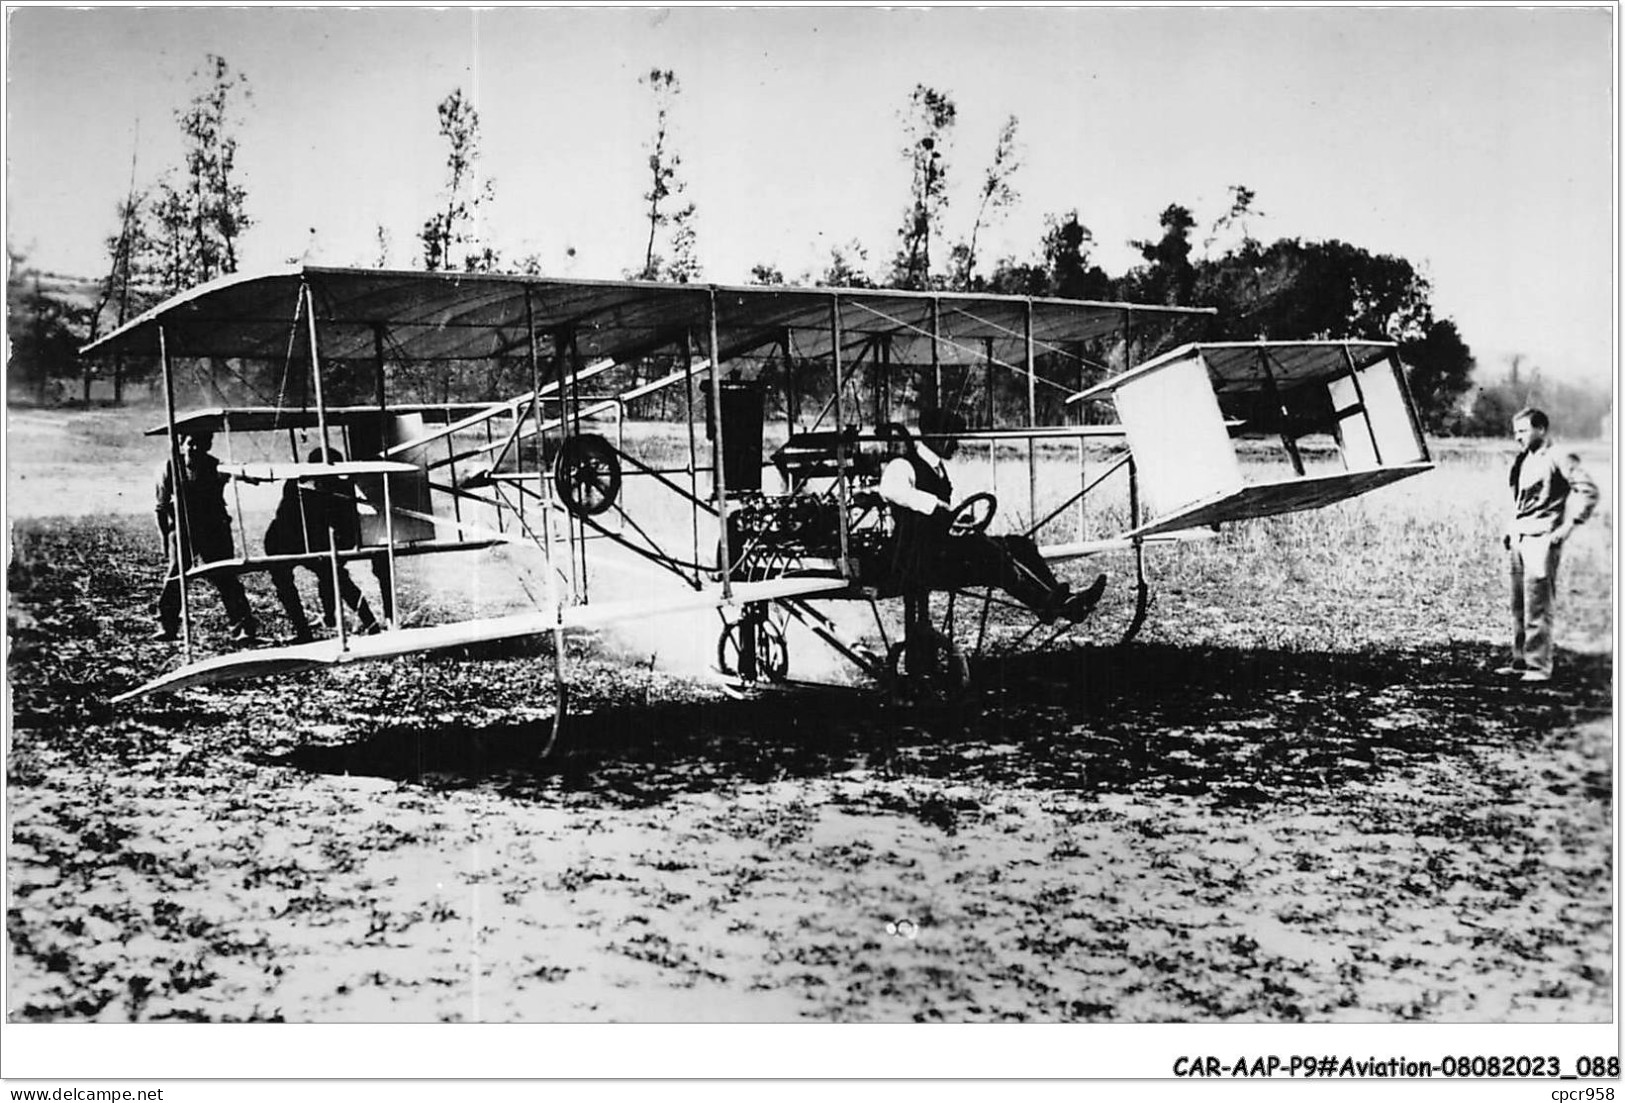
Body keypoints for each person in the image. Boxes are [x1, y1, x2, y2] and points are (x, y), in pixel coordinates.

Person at [879, 408, 1106, 622]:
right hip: (917, 558)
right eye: (952, 437)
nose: (956, 445)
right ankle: (1045, 604)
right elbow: (890, 490)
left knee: (1019, 545)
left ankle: (1062, 599)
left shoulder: (938, 469)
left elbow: (946, 515)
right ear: (935, 436)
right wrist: (934, 505)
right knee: (990, 552)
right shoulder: (902, 465)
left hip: (945, 551)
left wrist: (960, 520)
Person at [1497, 408, 1598, 683]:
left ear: (1541, 429)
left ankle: (1538, 666)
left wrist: (1567, 527)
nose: (1517, 437)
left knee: (1538, 604)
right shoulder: (1523, 459)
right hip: (1520, 537)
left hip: (1542, 538)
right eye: (1515, 431)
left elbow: (1588, 491)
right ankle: (1520, 661)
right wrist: (1511, 528)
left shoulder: (1559, 456)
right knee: (1519, 605)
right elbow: (1520, 501)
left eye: (1523, 431)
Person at [264, 447, 382, 643]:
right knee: (286, 582)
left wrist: (343, 548)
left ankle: (368, 623)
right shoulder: (298, 484)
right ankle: (303, 630)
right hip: (285, 538)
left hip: (313, 538)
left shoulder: (338, 488)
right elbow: (290, 516)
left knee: (336, 577)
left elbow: (347, 521)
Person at [153, 430, 258, 642]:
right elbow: (161, 508)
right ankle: (168, 625)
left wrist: (251, 474)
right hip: (183, 530)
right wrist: (166, 539)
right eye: (191, 443)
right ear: (182, 444)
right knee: (176, 576)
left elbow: (243, 475)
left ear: (208, 446)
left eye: (201, 444)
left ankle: (244, 627)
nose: (195, 449)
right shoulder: (169, 467)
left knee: (226, 576)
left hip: (214, 529)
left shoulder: (217, 466)